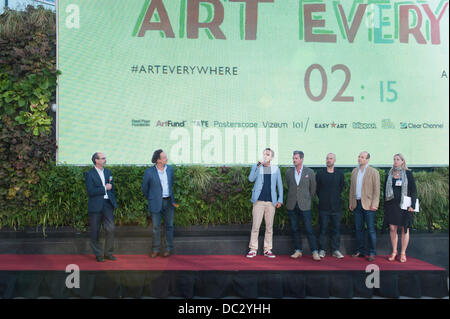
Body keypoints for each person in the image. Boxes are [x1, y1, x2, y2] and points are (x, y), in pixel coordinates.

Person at [246, 148, 283, 259]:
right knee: (256, 226)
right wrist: (257, 166)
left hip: (271, 202)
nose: (265, 156)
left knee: (269, 227)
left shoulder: (276, 169)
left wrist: (280, 199)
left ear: (271, 157)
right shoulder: (257, 166)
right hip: (258, 201)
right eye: (264, 154)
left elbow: (280, 186)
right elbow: (251, 179)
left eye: (268, 154)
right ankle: (253, 249)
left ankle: (268, 249)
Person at [142, 149, 177, 258]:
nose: (167, 159)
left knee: (169, 226)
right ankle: (155, 249)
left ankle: (168, 249)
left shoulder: (170, 169)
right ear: (158, 160)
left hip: (169, 202)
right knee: (156, 227)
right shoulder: (149, 172)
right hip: (155, 203)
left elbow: (172, 183)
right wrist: (153, 198)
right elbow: (144, 189)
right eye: (164, 157)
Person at [285, 151, 320, 261]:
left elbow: (313, 188)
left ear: (301, 159)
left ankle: (314, 251)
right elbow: (288, 185)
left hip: (305, 205)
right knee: (295, 229)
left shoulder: (309, 172)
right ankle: (298, 250)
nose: (294, 160)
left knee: (309, 229)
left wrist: (306, 198)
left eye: (296, 158)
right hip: (292, 204)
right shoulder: (289, 172)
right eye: (293, 158)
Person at [85, 152, 118, 262]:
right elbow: (90, 191)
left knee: (111, 228)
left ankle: (108, 253)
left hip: (107, 204)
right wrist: (104, 188)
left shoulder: (108, 172)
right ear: (96, 160)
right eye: (103, 158)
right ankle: (98, 254)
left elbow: (111, 188)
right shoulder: (90, 174)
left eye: (105, 158)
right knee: (95, 231)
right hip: (95, 206)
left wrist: (110, 193)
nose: (105, 160)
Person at [383, 154, 417, 263]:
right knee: (393, 228)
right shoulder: (389, 174)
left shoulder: (408, 173)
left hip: (405, 205)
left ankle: (403, 253)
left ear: (403, 161)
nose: (395, 161)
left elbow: (413, 190)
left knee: (404, 228)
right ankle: (394, 251)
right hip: (392, 205)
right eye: (394, 159)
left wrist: (412, 205)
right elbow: (385, 191)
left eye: (398, 159)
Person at [349, 151, 380, 262]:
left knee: (371, 229)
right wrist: (351, 202)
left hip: (369, 205)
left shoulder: (373, 172)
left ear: (367, 160)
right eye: (359, 156)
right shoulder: (354, 171)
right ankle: (360, 251)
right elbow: (352, 189)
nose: (359, 158)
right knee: (359, 229)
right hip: (356, 204)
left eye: (362, 157)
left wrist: (375, 204)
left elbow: (377, 190)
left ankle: (372, 252)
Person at [316, 153, 345, 259]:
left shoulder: (340, 174)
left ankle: (335, 250)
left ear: (335, 160)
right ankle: (322, 250)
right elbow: (317, 189)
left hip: (336, 208)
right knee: (322, 229)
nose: (328, 160)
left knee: (336, 229)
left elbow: (341, 187)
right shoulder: (320, 174)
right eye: (327, 158)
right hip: (323, 207)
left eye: (331, 158)